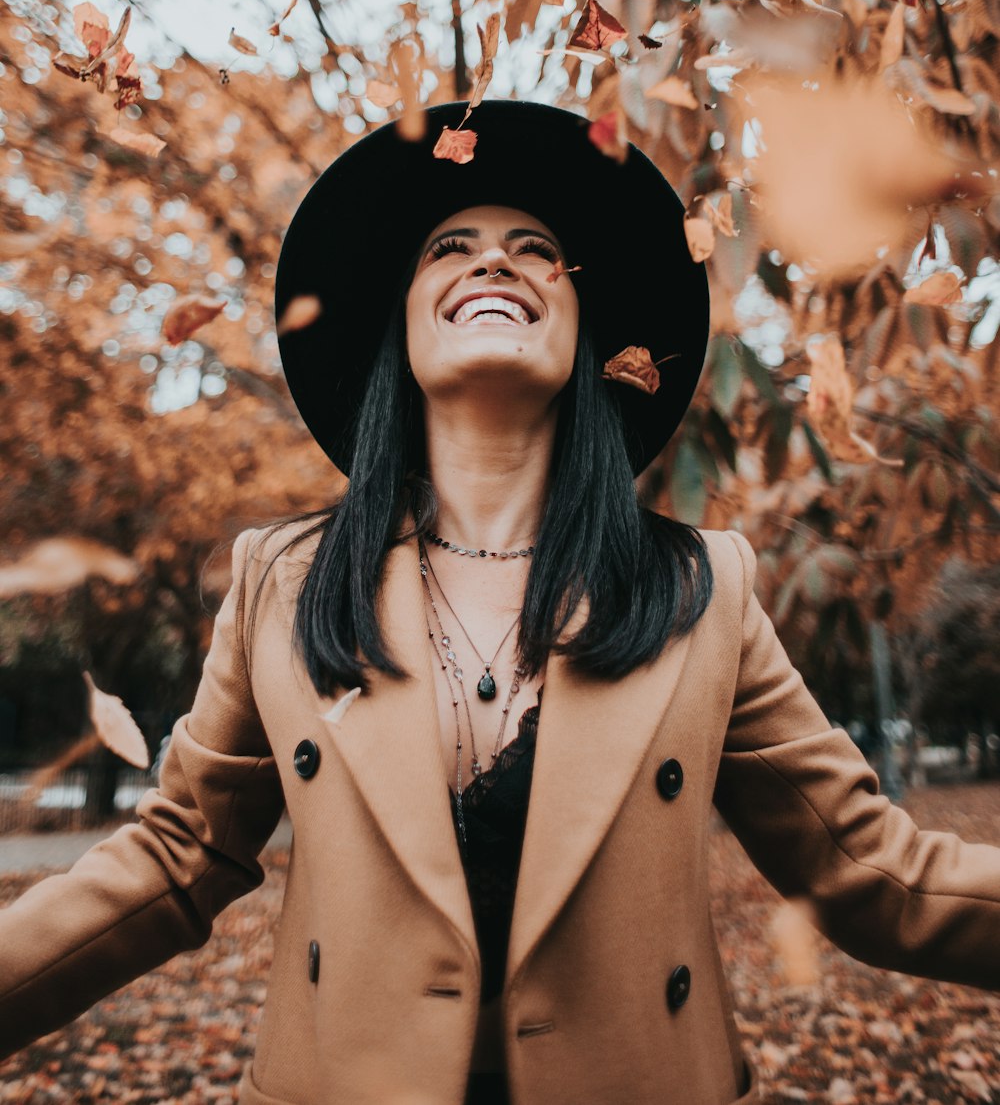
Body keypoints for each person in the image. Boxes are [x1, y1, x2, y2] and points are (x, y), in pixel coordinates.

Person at [0, 99, 998, 1105]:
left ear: (589, 333)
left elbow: (870, 871)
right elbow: (176, 858)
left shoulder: (704, 587)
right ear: (398, 321)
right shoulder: (282, 578)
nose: (493, 262)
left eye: (534, 250)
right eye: (450, 249)